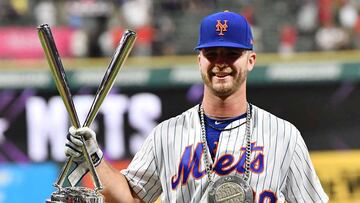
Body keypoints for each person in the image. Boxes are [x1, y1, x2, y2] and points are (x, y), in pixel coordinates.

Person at [65, 11, 329, 202]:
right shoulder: (166, 134)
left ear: (250, 60)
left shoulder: (284, 136)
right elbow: (130, 198)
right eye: (212, 54)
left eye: (231, 54)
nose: (221, 63)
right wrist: (94, 158)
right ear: (199, 60)